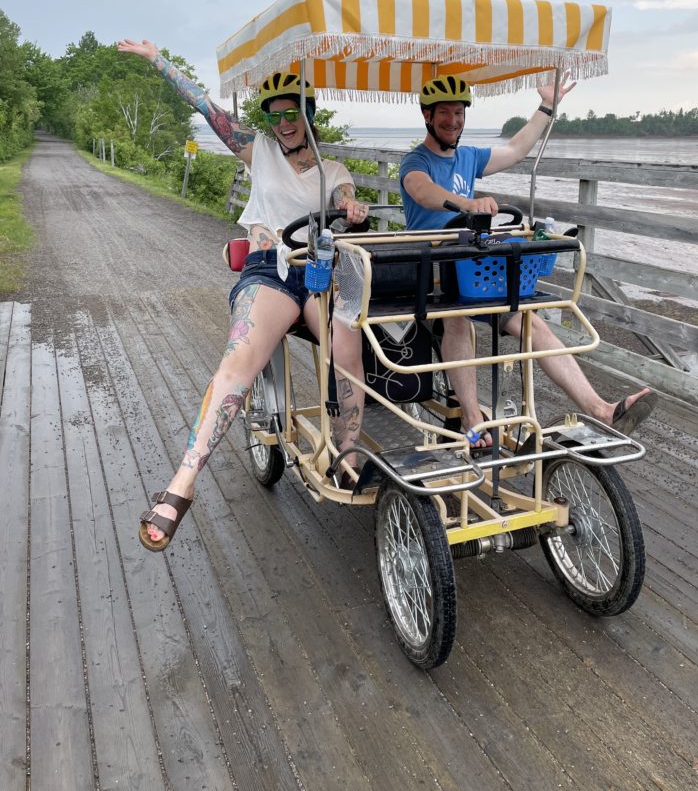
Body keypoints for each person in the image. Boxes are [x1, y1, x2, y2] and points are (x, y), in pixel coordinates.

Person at [118, 39, 369, 549]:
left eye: (291, 113)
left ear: (308, 113)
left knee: (348, 347)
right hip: (269, 271)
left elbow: (347, 197)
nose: (283, 123)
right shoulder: (260, 152)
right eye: (274, 115)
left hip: (318, 272)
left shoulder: (333, 170)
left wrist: (352, 207)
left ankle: (349, 449)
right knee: (238, 362)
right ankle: (181, 485)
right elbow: (205, 106)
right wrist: (158, 60)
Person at [399, 74, 656, 447]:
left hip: (472, 266)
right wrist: (466, 204)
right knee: (456, 322)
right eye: (443, 114)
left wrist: (547, 107)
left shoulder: (469, 157)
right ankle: (473, 421)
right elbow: (422, 191)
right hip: (433, 273)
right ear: (427, 116)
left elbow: (518, 149)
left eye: (458, 113)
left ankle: (602, 409)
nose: (452, 121)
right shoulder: (415, 161)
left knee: (530, 322)